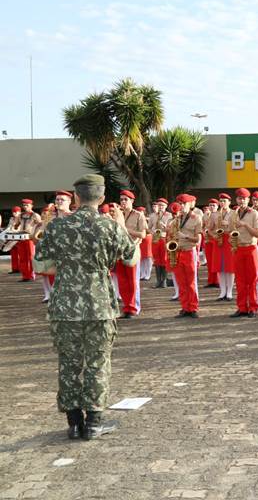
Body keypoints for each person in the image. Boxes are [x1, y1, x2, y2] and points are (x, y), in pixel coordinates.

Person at [34, 173, 136, 440]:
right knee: (97, 363)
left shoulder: (57, 227)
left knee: (68, 363)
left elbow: (40, 266)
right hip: (100, 306)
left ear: (76, 197)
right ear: (101, 198)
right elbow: (131, 259)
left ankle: (74, 422)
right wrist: (122, 227)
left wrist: (68, 269)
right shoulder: (110, 226)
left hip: (65, 307)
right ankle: (94, 423)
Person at [229, 188, 258, 318]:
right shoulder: (233, 214)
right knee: (240, 280)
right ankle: (242, 307)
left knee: (252, 279)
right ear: (236, 200)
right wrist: (231, 239)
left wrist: (245, 225)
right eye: (239, 198)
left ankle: (253, 307)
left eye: (244, 199)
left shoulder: (254, 214)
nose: (241, 201)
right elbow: (231, 232)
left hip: (251, 248)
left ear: (248, 200)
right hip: (238, 248)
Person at [116, 190, 147, 319]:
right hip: (119, 251)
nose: (123, 202)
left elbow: (143, 234)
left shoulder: (138, 215)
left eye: (126, 199)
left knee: (133, 281)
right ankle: (127, 307)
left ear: (132, 201)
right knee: (122, 282)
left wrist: (124, 228)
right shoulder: (118, 215)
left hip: (132, 250)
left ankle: (134, 307)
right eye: (121, 199)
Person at [14, 198, 41, 282]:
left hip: (30, 238)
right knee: (22, 258)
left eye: (27, 205)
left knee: (31, 257)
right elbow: (16, 225)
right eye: (24, 205)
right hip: (21, 238)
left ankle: (31, 275)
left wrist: (36, 235)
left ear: (31, 206)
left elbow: (40, 226)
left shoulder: (35, 215)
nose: (25, 207)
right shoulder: (20, 215)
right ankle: (25, 276)